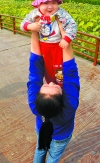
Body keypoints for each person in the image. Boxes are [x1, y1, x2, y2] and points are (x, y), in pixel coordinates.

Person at [27, 21, 80, 162]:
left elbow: (35, 71)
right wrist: (65, 36)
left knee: (40, 150)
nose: (51, 81)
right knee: (53, 158)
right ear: (62, 99)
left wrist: (34, 31)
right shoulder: (68, 108)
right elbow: (70, 72)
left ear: (37, 96)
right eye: (55, 86)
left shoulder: (34, 104)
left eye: (46, 85)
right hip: (61, 137)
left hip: (41, 129)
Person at [21, 0, 77, 86]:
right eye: (46, 3)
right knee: (46, 67)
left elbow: (72, 25)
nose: (50, 6)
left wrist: (66, 39)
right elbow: (23, 24)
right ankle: (50, 83)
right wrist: (30, 26)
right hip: (43, 47)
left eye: (54, 3)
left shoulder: (61, 14)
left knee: (59, 67)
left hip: (58, 46)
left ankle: (60, 85)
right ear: (38, 4)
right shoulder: (34, 14)